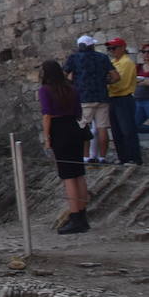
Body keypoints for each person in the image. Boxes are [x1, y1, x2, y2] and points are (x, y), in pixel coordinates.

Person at [40, 60, 89, 233]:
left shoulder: (45, 90)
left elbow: (47, 114)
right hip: (73, 128)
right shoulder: (71, 88)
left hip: (59, 130)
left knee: (68, 176)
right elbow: (78, 112)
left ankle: (75, 216)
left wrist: (47, 138)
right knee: (79, 173)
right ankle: (82, 215)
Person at [64, 35, 117, 163]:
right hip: (102, 97)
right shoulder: (102, 57)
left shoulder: (74, 58)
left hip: (83, 97)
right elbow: (116, 77)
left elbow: (64, 75)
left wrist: (73, 83)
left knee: (83, 127)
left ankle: (86, 156)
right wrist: (105, 82)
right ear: (91, 45)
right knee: (102, 128)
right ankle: (102, 157)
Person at [104, 38, 141, 164]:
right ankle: (123, 157)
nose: (111, 51)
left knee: (127, 130)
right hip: (113, 98)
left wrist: (108, 82)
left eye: (113, 48)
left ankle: (134, 157)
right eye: (109, 49)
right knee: (116, 131)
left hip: (123, 98)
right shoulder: (114, 62)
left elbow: (121, 84)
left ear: (122, 48)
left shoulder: (127, 63)